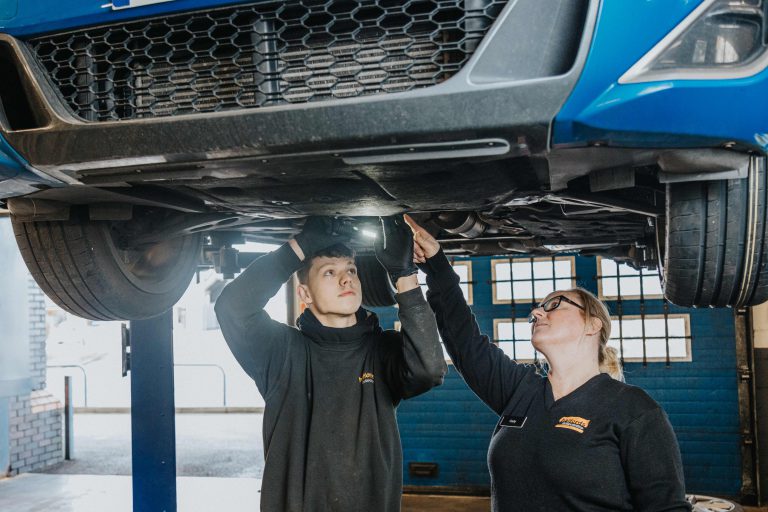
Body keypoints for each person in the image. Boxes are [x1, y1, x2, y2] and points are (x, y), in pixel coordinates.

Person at [404, 214, 692, 512]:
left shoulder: (633, 410)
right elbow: (464, 341)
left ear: (593, 325)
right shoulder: (521, 392)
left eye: (554, 304)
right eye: (538, 309)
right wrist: (437, 265)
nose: (537, 313)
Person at [215, 215, 447, 512]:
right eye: (328, 272)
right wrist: (300, 246)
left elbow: (429, 369)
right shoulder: (282, 351)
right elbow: (232, 307)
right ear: (304, 294)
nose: (345, 278)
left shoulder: (382, 350)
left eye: (351, 269)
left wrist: (404, 274)